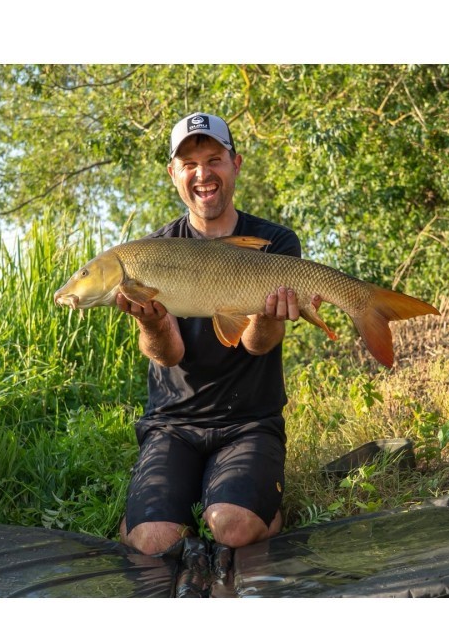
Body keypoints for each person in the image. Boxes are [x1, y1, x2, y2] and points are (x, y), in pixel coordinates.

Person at [117, 111, 315, 555]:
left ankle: (256, 506)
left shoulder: (274, 243)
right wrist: (150, 321)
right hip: (173, 424)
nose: (202, 174)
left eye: (214, 160)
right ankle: (154, 512)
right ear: (173, 174)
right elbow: (168, 356)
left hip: (249, 421)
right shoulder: (154, 251)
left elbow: (256, 344)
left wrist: (268, 315)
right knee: (153, 541)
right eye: (189, 164)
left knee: (233, 527)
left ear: (235, 164)